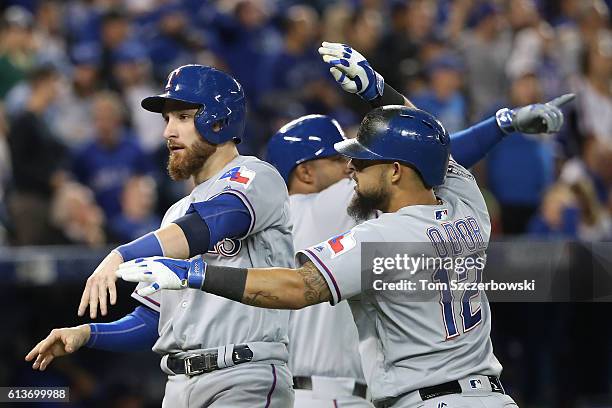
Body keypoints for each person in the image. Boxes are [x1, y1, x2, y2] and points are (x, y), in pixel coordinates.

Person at [26, 64, 295, 407]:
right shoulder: (175, 214)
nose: (168, 131)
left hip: (243, 375)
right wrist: (87, 333)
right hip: (179, 384)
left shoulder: (255, 176)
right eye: (167, 119)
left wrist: (120, 255)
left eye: (182, 117)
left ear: (218, 120)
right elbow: (153, 319)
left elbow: (210, 225)